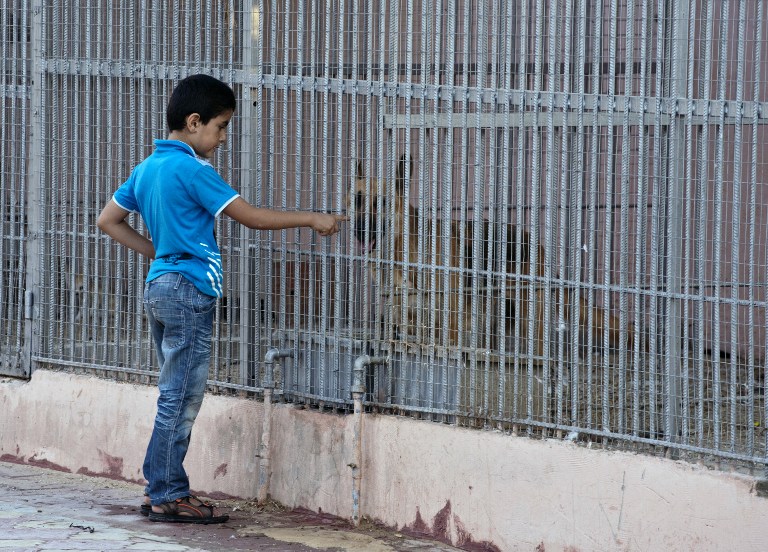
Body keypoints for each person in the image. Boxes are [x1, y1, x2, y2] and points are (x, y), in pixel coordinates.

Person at [97, 74, 347, 524]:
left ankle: (160, 489)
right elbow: (248, 217)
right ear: (194, 123)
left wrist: (160, 254)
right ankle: (169, 494)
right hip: (190, 290)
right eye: (220, 126)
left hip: (159, 288)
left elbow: (108, 220)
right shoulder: (195, 170)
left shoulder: (148, 166)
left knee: (172, 393)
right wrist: (312, 218)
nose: (223, 136)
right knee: (182, 398)